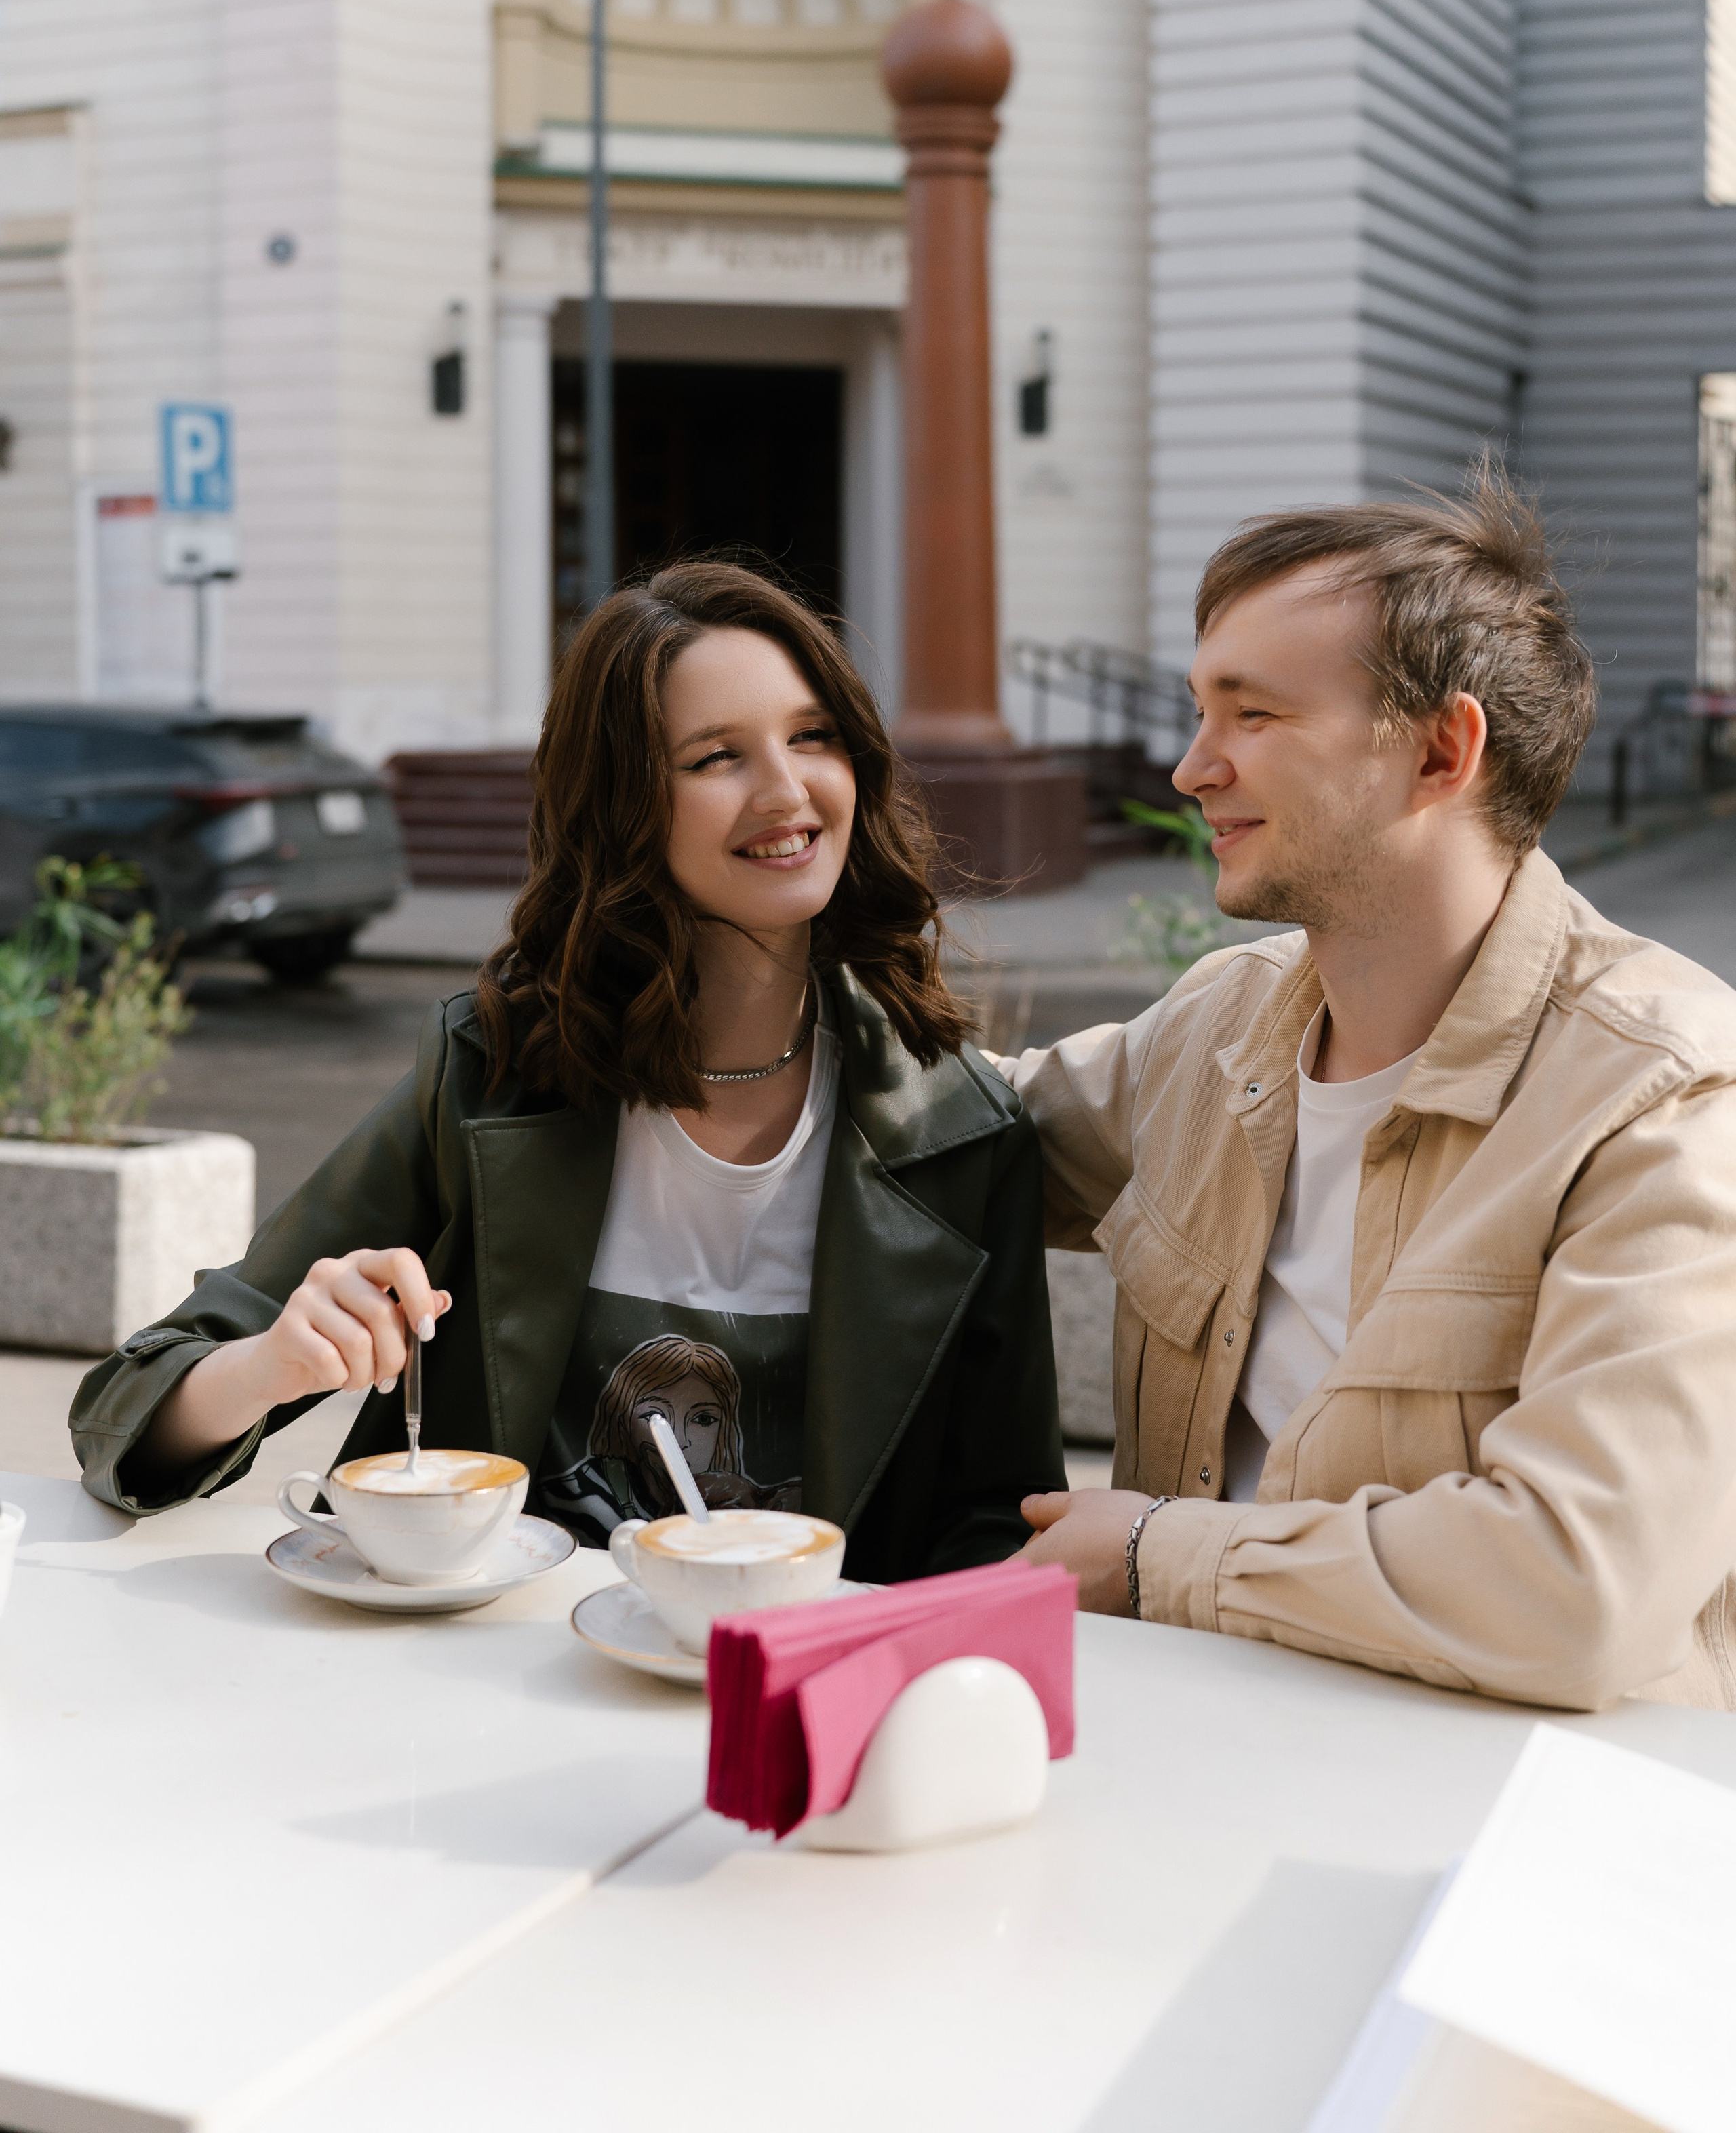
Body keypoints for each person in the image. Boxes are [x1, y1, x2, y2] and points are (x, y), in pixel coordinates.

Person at [72, 563, 1065, 1578]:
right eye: (718, 755)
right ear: (623, 804)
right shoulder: (490, 1072)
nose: (787, 790)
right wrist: (273, 1361)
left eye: (813, 737)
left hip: (795, 1704)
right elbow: (124, 1413)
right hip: (486, 1688)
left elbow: (1002, 1528)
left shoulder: (963, 1132)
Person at [1008, 470, 1736, 1710]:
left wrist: (1154, 1555)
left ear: (1443, 751)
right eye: (1201, 711)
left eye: (1254, 717)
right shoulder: (1223, 1021)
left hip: (1519, 1836)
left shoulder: (1662, 1093)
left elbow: (1578, 1585)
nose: (1193, 768)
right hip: (1195, 1755)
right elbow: (943, 1136)